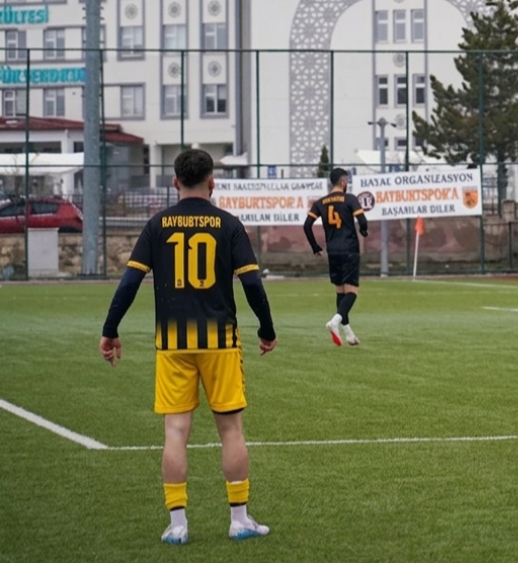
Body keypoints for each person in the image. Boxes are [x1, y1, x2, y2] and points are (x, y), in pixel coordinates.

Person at [98, 148, 276, 545]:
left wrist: (110, 330)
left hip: (172, 344)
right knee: (230, 429)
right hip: (220, 343)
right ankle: (239, 519)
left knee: (175, 432)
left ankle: (178, 525)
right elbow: (251, 284)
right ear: (212, 181)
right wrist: (266, 329)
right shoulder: (229, 225)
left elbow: (128, 283)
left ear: (174, 182)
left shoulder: (156, 225)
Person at [304, 167, 368, 346]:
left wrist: (315, 247)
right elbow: (362, 221)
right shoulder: (349, 199)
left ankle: (348, 333)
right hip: (349, 249)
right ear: (343, 182)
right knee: (352, 292)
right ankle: (334, 322)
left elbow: (307, 225)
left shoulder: (321, 202)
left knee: (341, 291)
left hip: (333, 251)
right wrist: (363, 230)